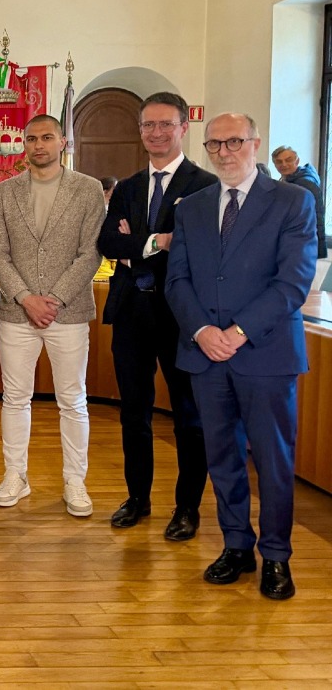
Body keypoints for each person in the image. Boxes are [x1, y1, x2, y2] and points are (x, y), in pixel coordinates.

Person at [166, 113, 316, 600]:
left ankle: (276, 556)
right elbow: (177, 280)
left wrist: (238, 331)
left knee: (272, 461)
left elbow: (293, 282)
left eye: (234, 142)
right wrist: (203, 331)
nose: (224, 152)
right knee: (222, 457)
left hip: (265, 355)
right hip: (206, 355)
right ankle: (236, 546)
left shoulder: (292, 201)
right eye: (214, 144)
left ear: (255, 143)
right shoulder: (192, 207)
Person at [98, 93, 217, 540]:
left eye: (166, 124)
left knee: (189, 416)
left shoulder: (204, 185)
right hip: (131, 314)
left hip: (183, 318)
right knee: (134, 413)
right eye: (148, 125)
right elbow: (109, 243)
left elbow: (199, 248)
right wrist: (156, 241)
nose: (156, 133)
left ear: (184, 127)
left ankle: (187, 508)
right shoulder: (128, 187)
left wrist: (139, 245)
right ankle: (137, 498)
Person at [0, 114, 105, 517]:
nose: (39, 145)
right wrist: (25, 297)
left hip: (67, 313)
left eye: (47, 137)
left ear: (62, 142)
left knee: (72, 400)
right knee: (15, 398)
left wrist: (52, 298)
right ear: (24, 143)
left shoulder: (87, 189)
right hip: (16, 313)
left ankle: (75, 481)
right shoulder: (5, 192)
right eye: (32, 138)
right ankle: (15, 476)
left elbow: (90, 253)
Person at [271, 145, 326, 258]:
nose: (284, 164)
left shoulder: (304, 184)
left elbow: (315, 216)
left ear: (297, 161)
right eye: (279, 162)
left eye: (288, 160)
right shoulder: (289, 180)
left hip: (303, 244)